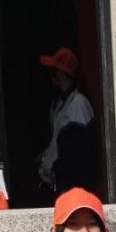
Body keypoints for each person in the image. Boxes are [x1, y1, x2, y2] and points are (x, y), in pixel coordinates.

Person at [38, 47, 96, 195]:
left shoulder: (79, 103)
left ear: (59, 73)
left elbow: (78, 153)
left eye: (52, 71)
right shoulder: (58, 103)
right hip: (57, 182)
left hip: (73, 187)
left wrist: (56, 168)